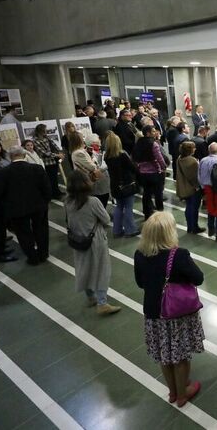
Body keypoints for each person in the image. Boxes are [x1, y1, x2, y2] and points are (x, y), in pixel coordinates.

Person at [134, 212, 205, 408]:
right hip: (176, 313)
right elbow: (198, 278)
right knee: (181, 355)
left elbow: (140, 283)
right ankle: (183, 394)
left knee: (164, 354)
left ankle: (173, 391)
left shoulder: (140, 254)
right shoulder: (178, 255)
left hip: (154, 311)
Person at [65, 170, 121, 315]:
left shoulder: (68, 201)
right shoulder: (93, 202)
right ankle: (102, 303)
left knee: (84, 269)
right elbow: (106, 220)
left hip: (78, 240)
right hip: (96, 240)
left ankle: (91, 297)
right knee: (102, 270)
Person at [0, 146, 50, 265]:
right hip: (38, 205)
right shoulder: (37, 168)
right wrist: (45, 202)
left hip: (16, 209)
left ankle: (32, 257)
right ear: (25, 155)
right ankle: (43, 254)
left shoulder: (3, 172)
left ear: (10, 156)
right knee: (41, 230)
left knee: (23, 233)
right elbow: (47, 188)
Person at [104, 133, 140, 238]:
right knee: (128, 207)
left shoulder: (107, 156)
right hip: (126, 184)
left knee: (119, 207)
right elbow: (132, 168)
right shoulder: (122, 155)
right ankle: (130, 230)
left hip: (115, 185)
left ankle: (117, 230)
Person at [133, 124, 166, 219]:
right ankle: (161, 213)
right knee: (158, 194)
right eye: (153, 131)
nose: (155, 132)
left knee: (146, 194)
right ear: (148, 133)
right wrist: (163, 167)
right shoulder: (153, 144)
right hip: (154, 173)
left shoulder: (139, 142)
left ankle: (147, 213)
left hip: (143, 173)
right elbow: (159, 158)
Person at [70, 132, 108, 208]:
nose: (83, 139)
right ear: (78, 140)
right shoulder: (78, 153)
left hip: (88, 180)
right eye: (82, 137)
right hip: (85, 180)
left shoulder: (81, 151)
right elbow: (92, 167)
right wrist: (95, 160)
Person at [176, 141, 205, 234]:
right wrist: (198, 187)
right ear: (190, 150)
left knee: (189, 207)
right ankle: (194, 227)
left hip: (184, 187)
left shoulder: (179, 158)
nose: (195, 149)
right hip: (193, 188)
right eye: (194, 147)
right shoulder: (192, 161)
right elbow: (194, 177)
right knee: (194, 208)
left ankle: (190, 226)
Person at [32, 123, 64, 198]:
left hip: (53, 161)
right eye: (45, 130)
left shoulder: (47, 138)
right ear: (41, 131)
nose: (46, 131)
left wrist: (60, 153)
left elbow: (54, 146)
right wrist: (57, 155)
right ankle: (52, 194)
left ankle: (57, 192)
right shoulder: (35, 141)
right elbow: (43, 152)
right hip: (46, 162)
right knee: (49, 179)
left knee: (55, 178)